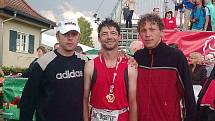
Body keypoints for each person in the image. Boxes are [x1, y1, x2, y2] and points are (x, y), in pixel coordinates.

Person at [20, 17, 88, 121]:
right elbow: (28, 100)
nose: (70, 38)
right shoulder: (42, 63)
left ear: (78, 37)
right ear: (57, 36)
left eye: (74, 34)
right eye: (66, 34)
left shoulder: (85, 61)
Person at [134, 13, 196, 121]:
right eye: (143, 30)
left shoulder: (176, 56)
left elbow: (188, 94)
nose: (147, 34)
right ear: (139, 34)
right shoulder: (137, 57)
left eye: (152, 29)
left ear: (162, 32)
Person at [83, 19, 137, 121]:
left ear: (119, 37)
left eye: (113, 33)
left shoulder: (130, 66)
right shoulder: (90, 65)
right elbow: (85, 99)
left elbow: (133, 102)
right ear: (99, 38)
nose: (109, 37)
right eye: (104, 34)